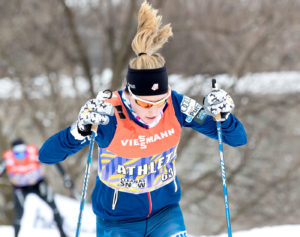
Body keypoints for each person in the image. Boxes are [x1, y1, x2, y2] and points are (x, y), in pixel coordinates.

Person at [39, 1, 247, 236]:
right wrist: (79, 131)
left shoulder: (177, 104)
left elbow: (236, 139)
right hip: (117, 221)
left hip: (165, 214)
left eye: (161, 100)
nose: (155, 109)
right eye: (146, 103)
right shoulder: (109, 115)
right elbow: (47, 156)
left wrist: (224, 116)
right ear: (129, 94)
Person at [0, 138, 72, 237]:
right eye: (17, 154)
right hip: (20, 188)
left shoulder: (34, 153)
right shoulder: (7, 159)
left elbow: (53, 160)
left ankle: (63, 234)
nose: (21, 157)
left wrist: (65, 177)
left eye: (23, 153)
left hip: (38, 184)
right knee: (18, 214)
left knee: (53, 207)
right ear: (13, 152)